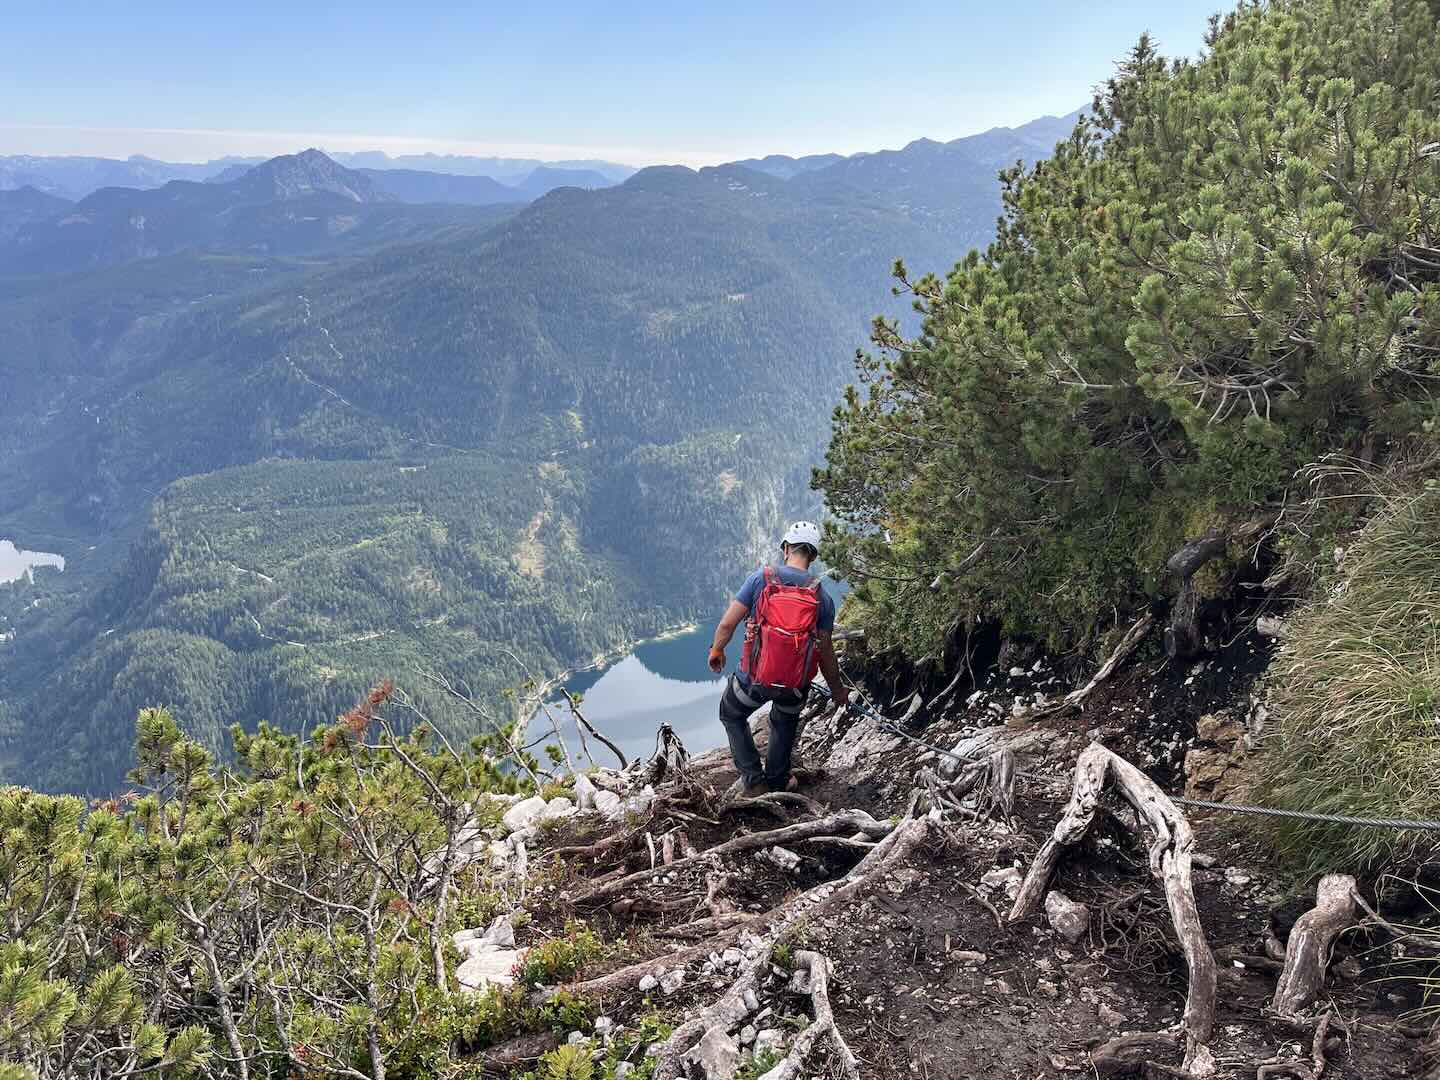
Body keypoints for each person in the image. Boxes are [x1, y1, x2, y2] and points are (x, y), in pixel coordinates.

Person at [707, 521, 850, 794]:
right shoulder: (822, 598)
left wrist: (717, 650)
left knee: (732, 714)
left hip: (753, 680)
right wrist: (837, 690)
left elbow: (727, 624)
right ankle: (778, 779)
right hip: (794, 686)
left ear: (786, 549)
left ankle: (754, 780)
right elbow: (825, 652)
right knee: (784, 721)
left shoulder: (761, 579)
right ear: (813, 556)